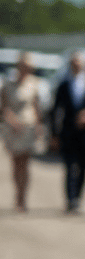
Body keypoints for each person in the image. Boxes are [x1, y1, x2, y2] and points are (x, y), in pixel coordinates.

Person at [50, 51, 85, 214]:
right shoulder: (63, 85)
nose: (77, 67)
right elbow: (55, 111)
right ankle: (71, 200)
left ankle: (78, 197)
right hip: (68, 133)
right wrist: (54, 134)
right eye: (74, 64)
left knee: (84, 167)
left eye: (80, 64)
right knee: (70, 167)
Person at [1, 51, 45, 212]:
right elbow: (4, 107)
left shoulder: (34, 84)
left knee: (25, 163)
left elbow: (37, 107)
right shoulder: (8, 83)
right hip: (13, 127)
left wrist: (39, 126)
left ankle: (22, 196)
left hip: (28, 126)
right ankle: (17, 193)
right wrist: (12, 121)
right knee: (16, 163)